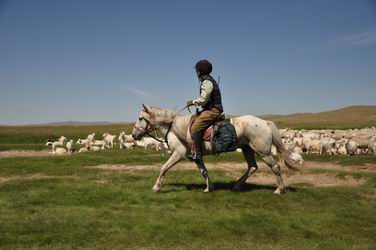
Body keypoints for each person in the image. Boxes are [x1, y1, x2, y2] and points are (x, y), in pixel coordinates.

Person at [186, 59, 224, 161]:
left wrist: (193, 102)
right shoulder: (207, 80)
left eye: (197, 70)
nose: (196, 73)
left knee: (195, 128)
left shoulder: (206, 81)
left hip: (213, 110)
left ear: (200, 71)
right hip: (210, 109)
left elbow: (203, 99)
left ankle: (198, 155)